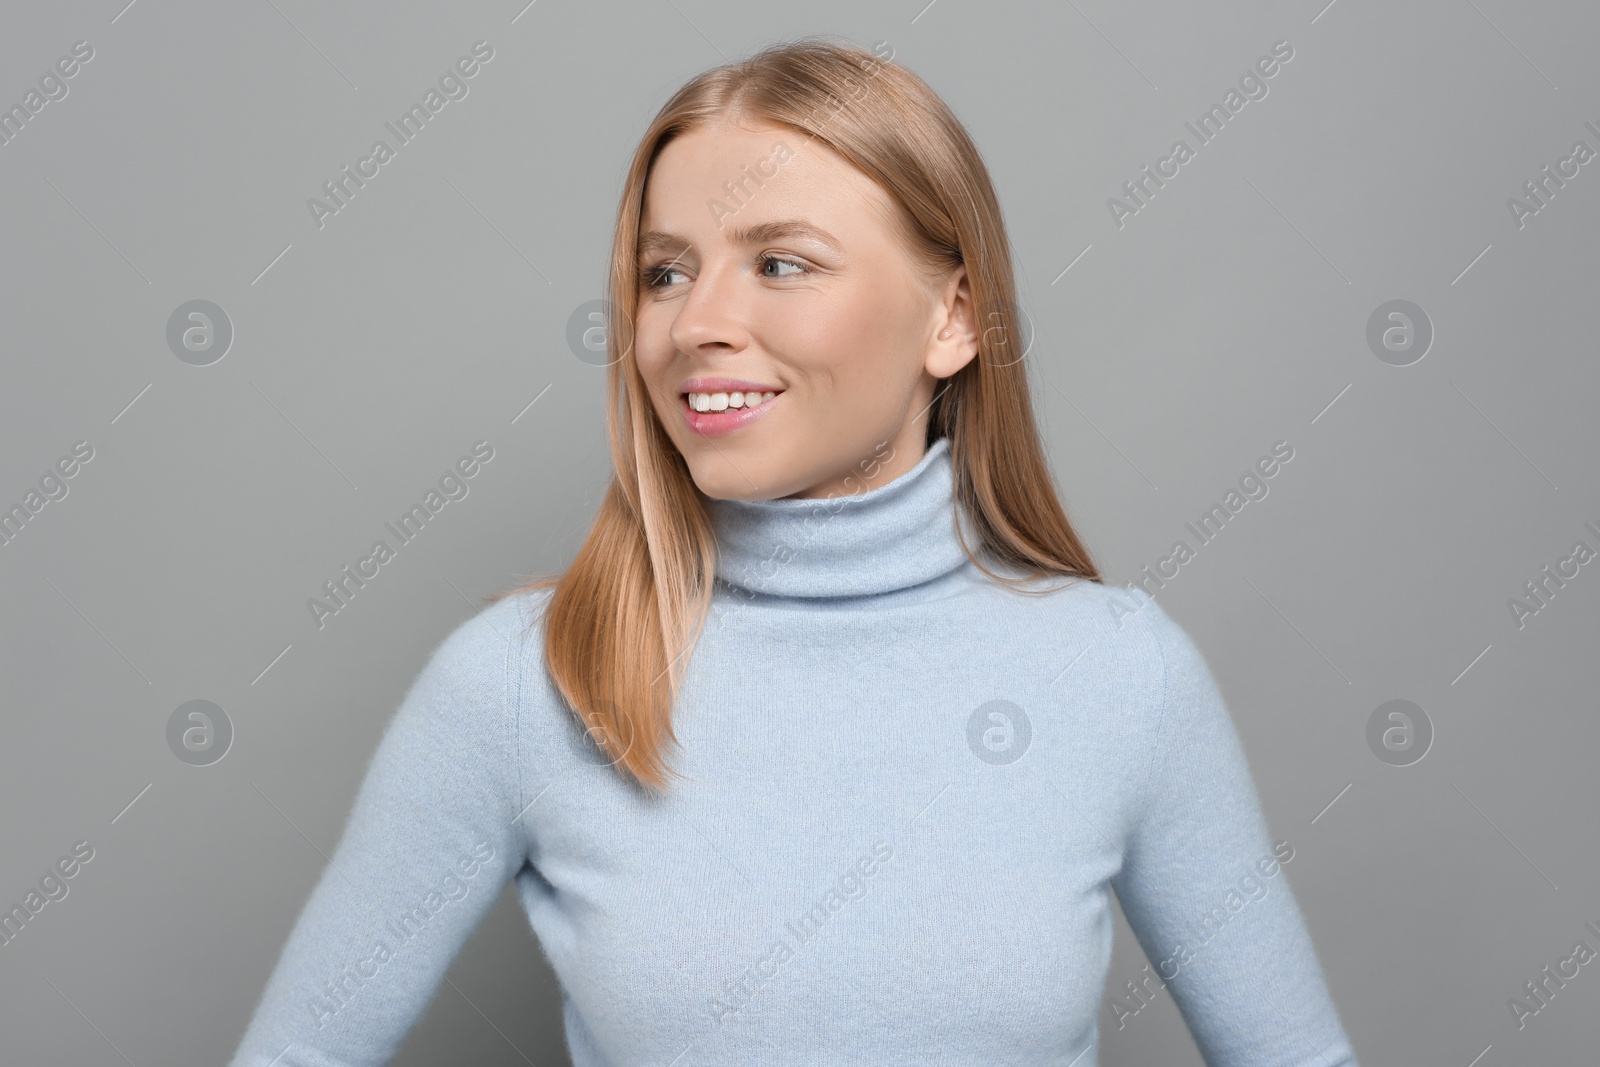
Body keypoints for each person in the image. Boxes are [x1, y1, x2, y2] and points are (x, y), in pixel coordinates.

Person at [229, 36, 1360, 1066]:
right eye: (666, 271)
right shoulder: (521, 679)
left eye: (781, 263)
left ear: (954, 319)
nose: (693, 321)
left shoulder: (1121, 672)